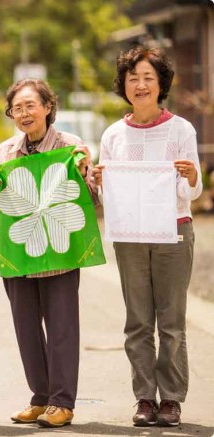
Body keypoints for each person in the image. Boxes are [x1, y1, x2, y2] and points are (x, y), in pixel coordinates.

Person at [92, 46, 201, 427]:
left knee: (171, 320)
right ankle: (144, 397)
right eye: (132, 78)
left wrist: (190, 177)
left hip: (174, 231)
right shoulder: (113, 134)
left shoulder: (181, 129)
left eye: (147, 78)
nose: (139, 85)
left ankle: (171, 398)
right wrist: (101, 183)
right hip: (130, 236)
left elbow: (194, 188)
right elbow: (111, 196)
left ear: (161, 84)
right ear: (123, 85)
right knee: (137, 320)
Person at [0, 78, 95, 428]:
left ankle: (62, 402)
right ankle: (41, 397)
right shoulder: (5, 151)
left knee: (62, 325)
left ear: (48, 107)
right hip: (19, 250)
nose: (24, 113)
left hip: (59, 247)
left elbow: (90, 199)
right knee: (26, 327)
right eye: (17, 108)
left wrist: (84, 175)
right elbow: (2, 204)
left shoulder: (71, 146)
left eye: (31, 105)